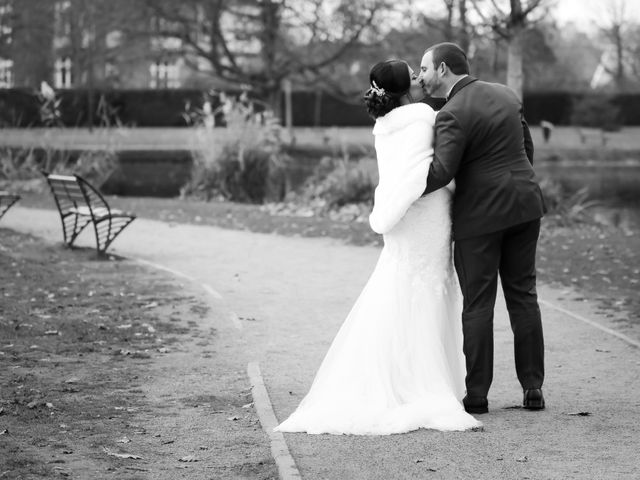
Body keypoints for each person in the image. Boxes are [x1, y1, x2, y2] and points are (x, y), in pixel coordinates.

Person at [274, 60, 481, 435]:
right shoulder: (422, 117)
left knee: (400, 287)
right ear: (404, 89)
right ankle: (426, 382)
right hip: (425, 215)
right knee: (428, 290)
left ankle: (399, 375)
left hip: (400, 218)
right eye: (414, 75)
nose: (420, 78)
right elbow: (435, 165)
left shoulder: (383, 126)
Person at [417, 43, 547, 414]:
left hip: (480, 218)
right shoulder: (506, 95)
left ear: (442, 69)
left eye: (424, 69)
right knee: (524, 295)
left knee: (478, 304)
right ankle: (533, 388)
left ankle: (476, 395)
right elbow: (526, 148)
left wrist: (404, 187)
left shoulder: (451, 113)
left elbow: (441, 172)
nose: (421, 76)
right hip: (525, 206)